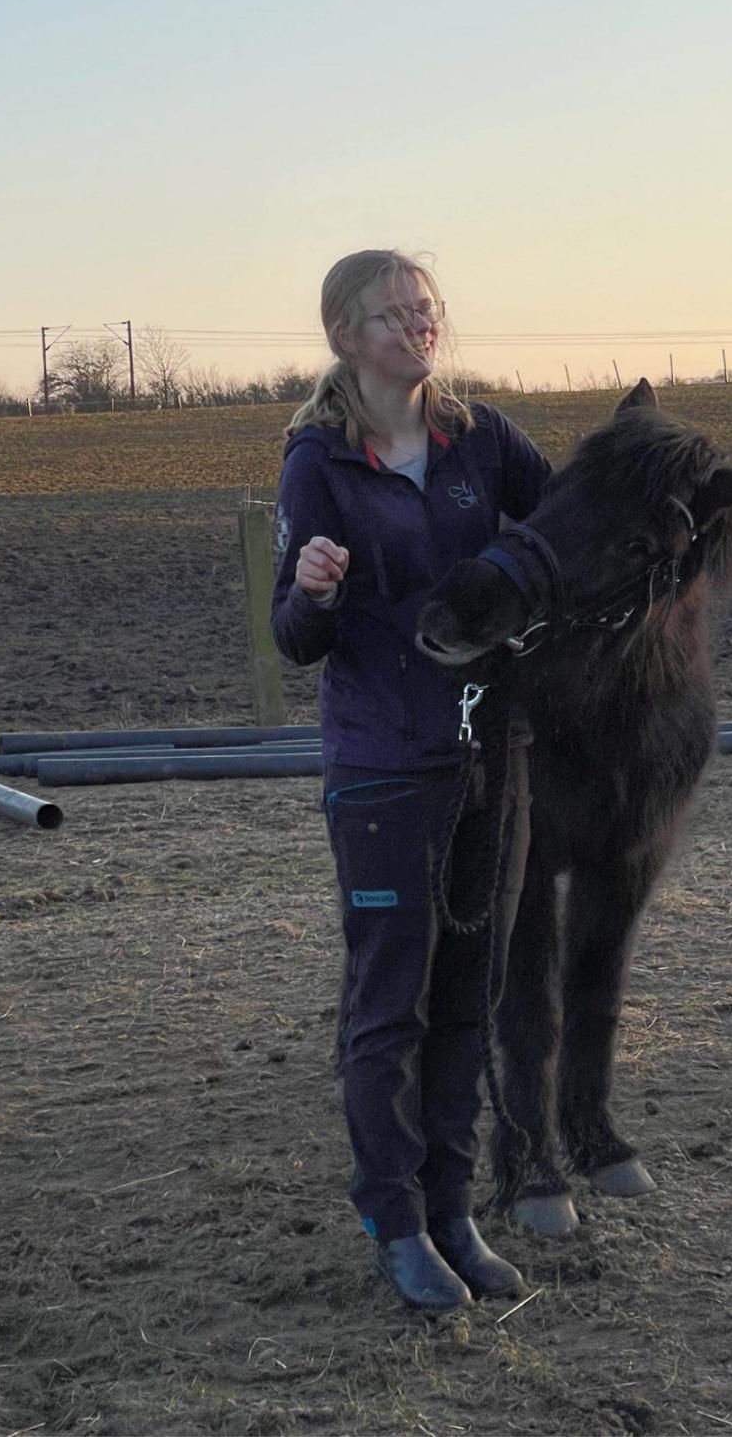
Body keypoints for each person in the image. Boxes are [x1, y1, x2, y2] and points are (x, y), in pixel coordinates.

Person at [271, 249, 551, 1313]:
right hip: (387, 769)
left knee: (469, 995)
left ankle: (453, 1207)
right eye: (390, 315)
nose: (415, 327)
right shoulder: (320, 464)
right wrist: (312, 590)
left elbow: (560, 530)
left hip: (494, 760)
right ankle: (393, 1218)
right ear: (346, 336)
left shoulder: (485, 441)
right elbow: (294, 640)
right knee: (390, 1007)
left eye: (424, 309)